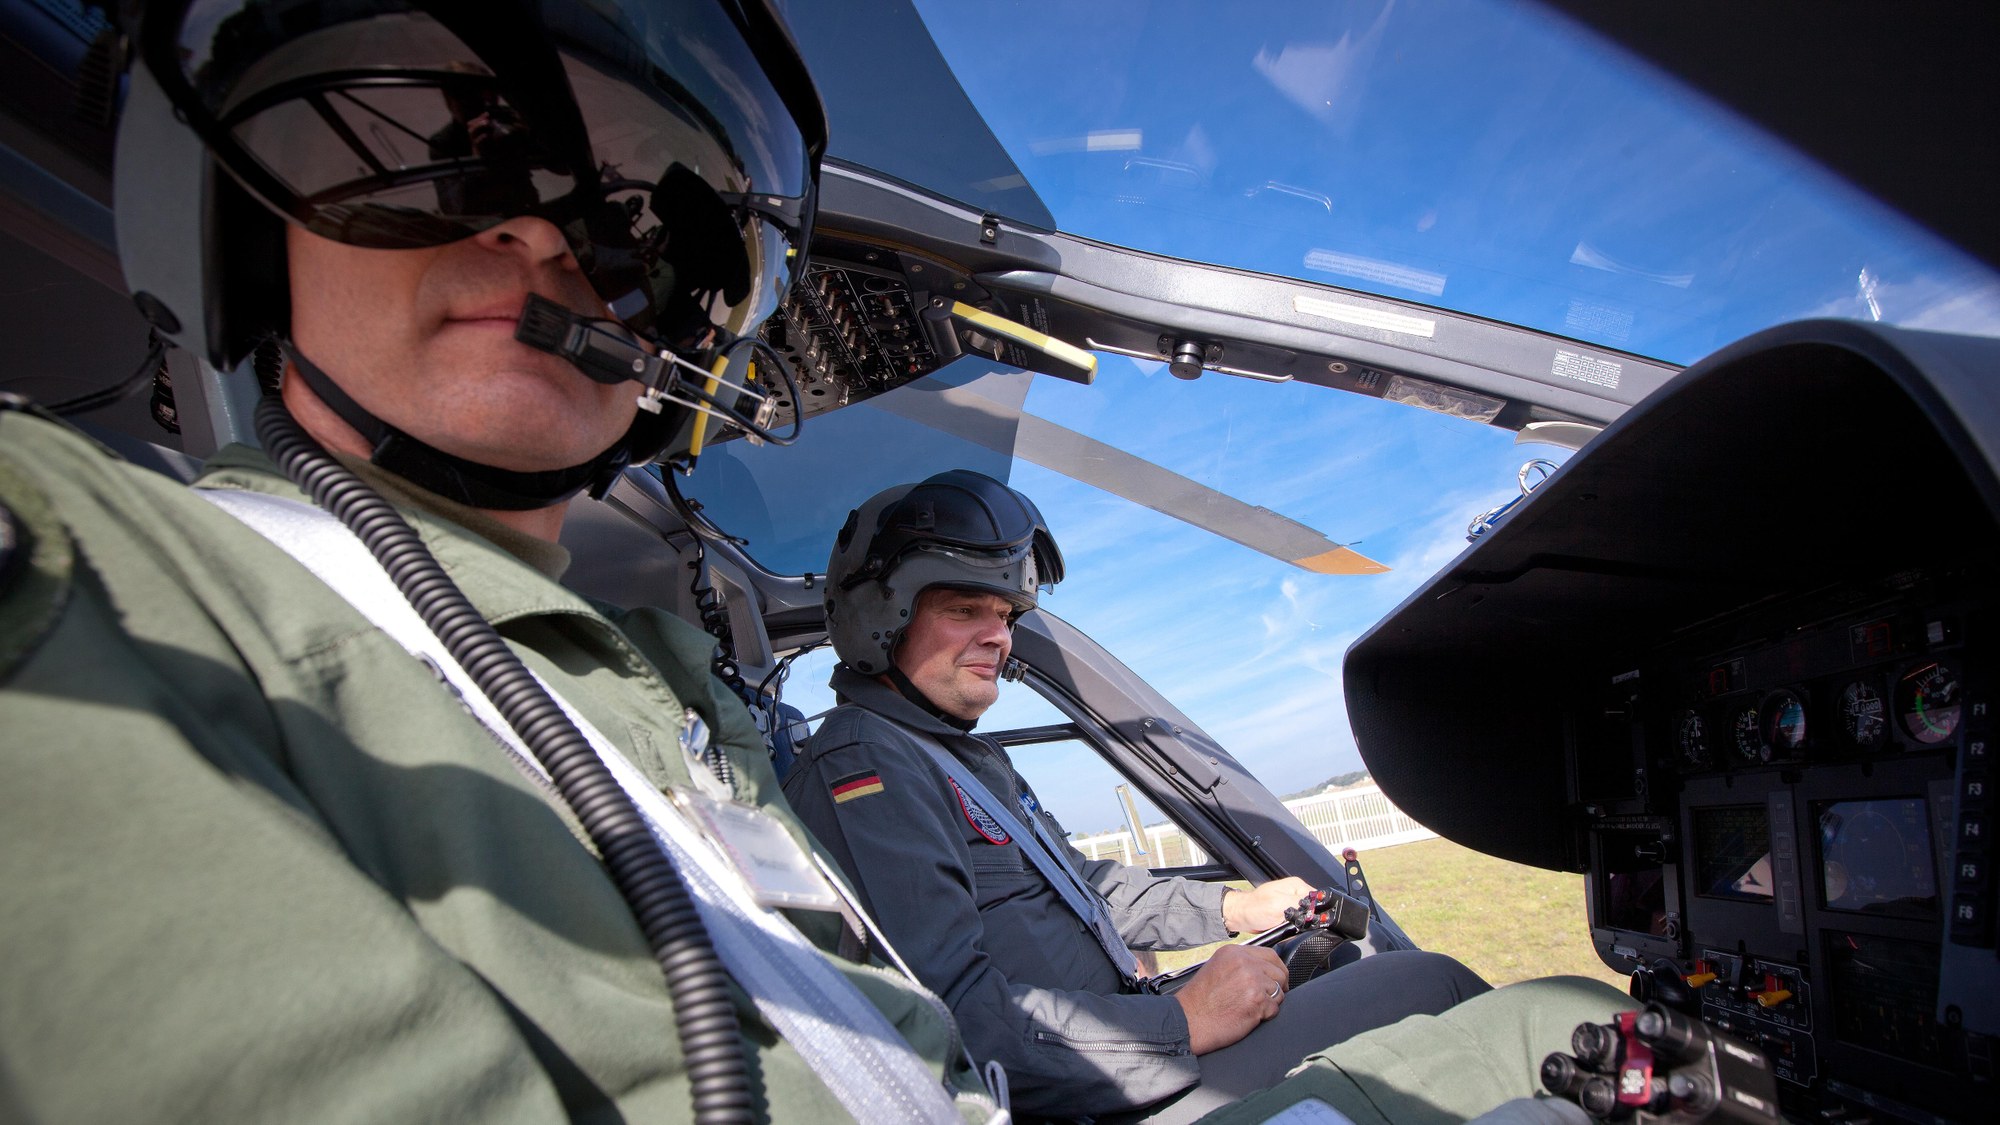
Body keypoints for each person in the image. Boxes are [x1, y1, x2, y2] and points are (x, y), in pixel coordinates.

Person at [0, 2, 997, 1121]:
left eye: (636, 211)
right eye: (441, 143)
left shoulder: (677, 693)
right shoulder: (86, 553)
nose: (542, 237)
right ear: (241, 227)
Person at [782, 470, 1511, 1123]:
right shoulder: (867, 761)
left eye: (1005, 616)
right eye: (966, 609)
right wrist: (1184, 1021)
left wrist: (1234, 907)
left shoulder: (962, 759)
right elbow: (952, 1021)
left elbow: (1087, 886)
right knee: (1428, 982)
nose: (998, 637)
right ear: (884, 615)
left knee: (1335, 957)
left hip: (1127, 1051)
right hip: (1093, 1092)